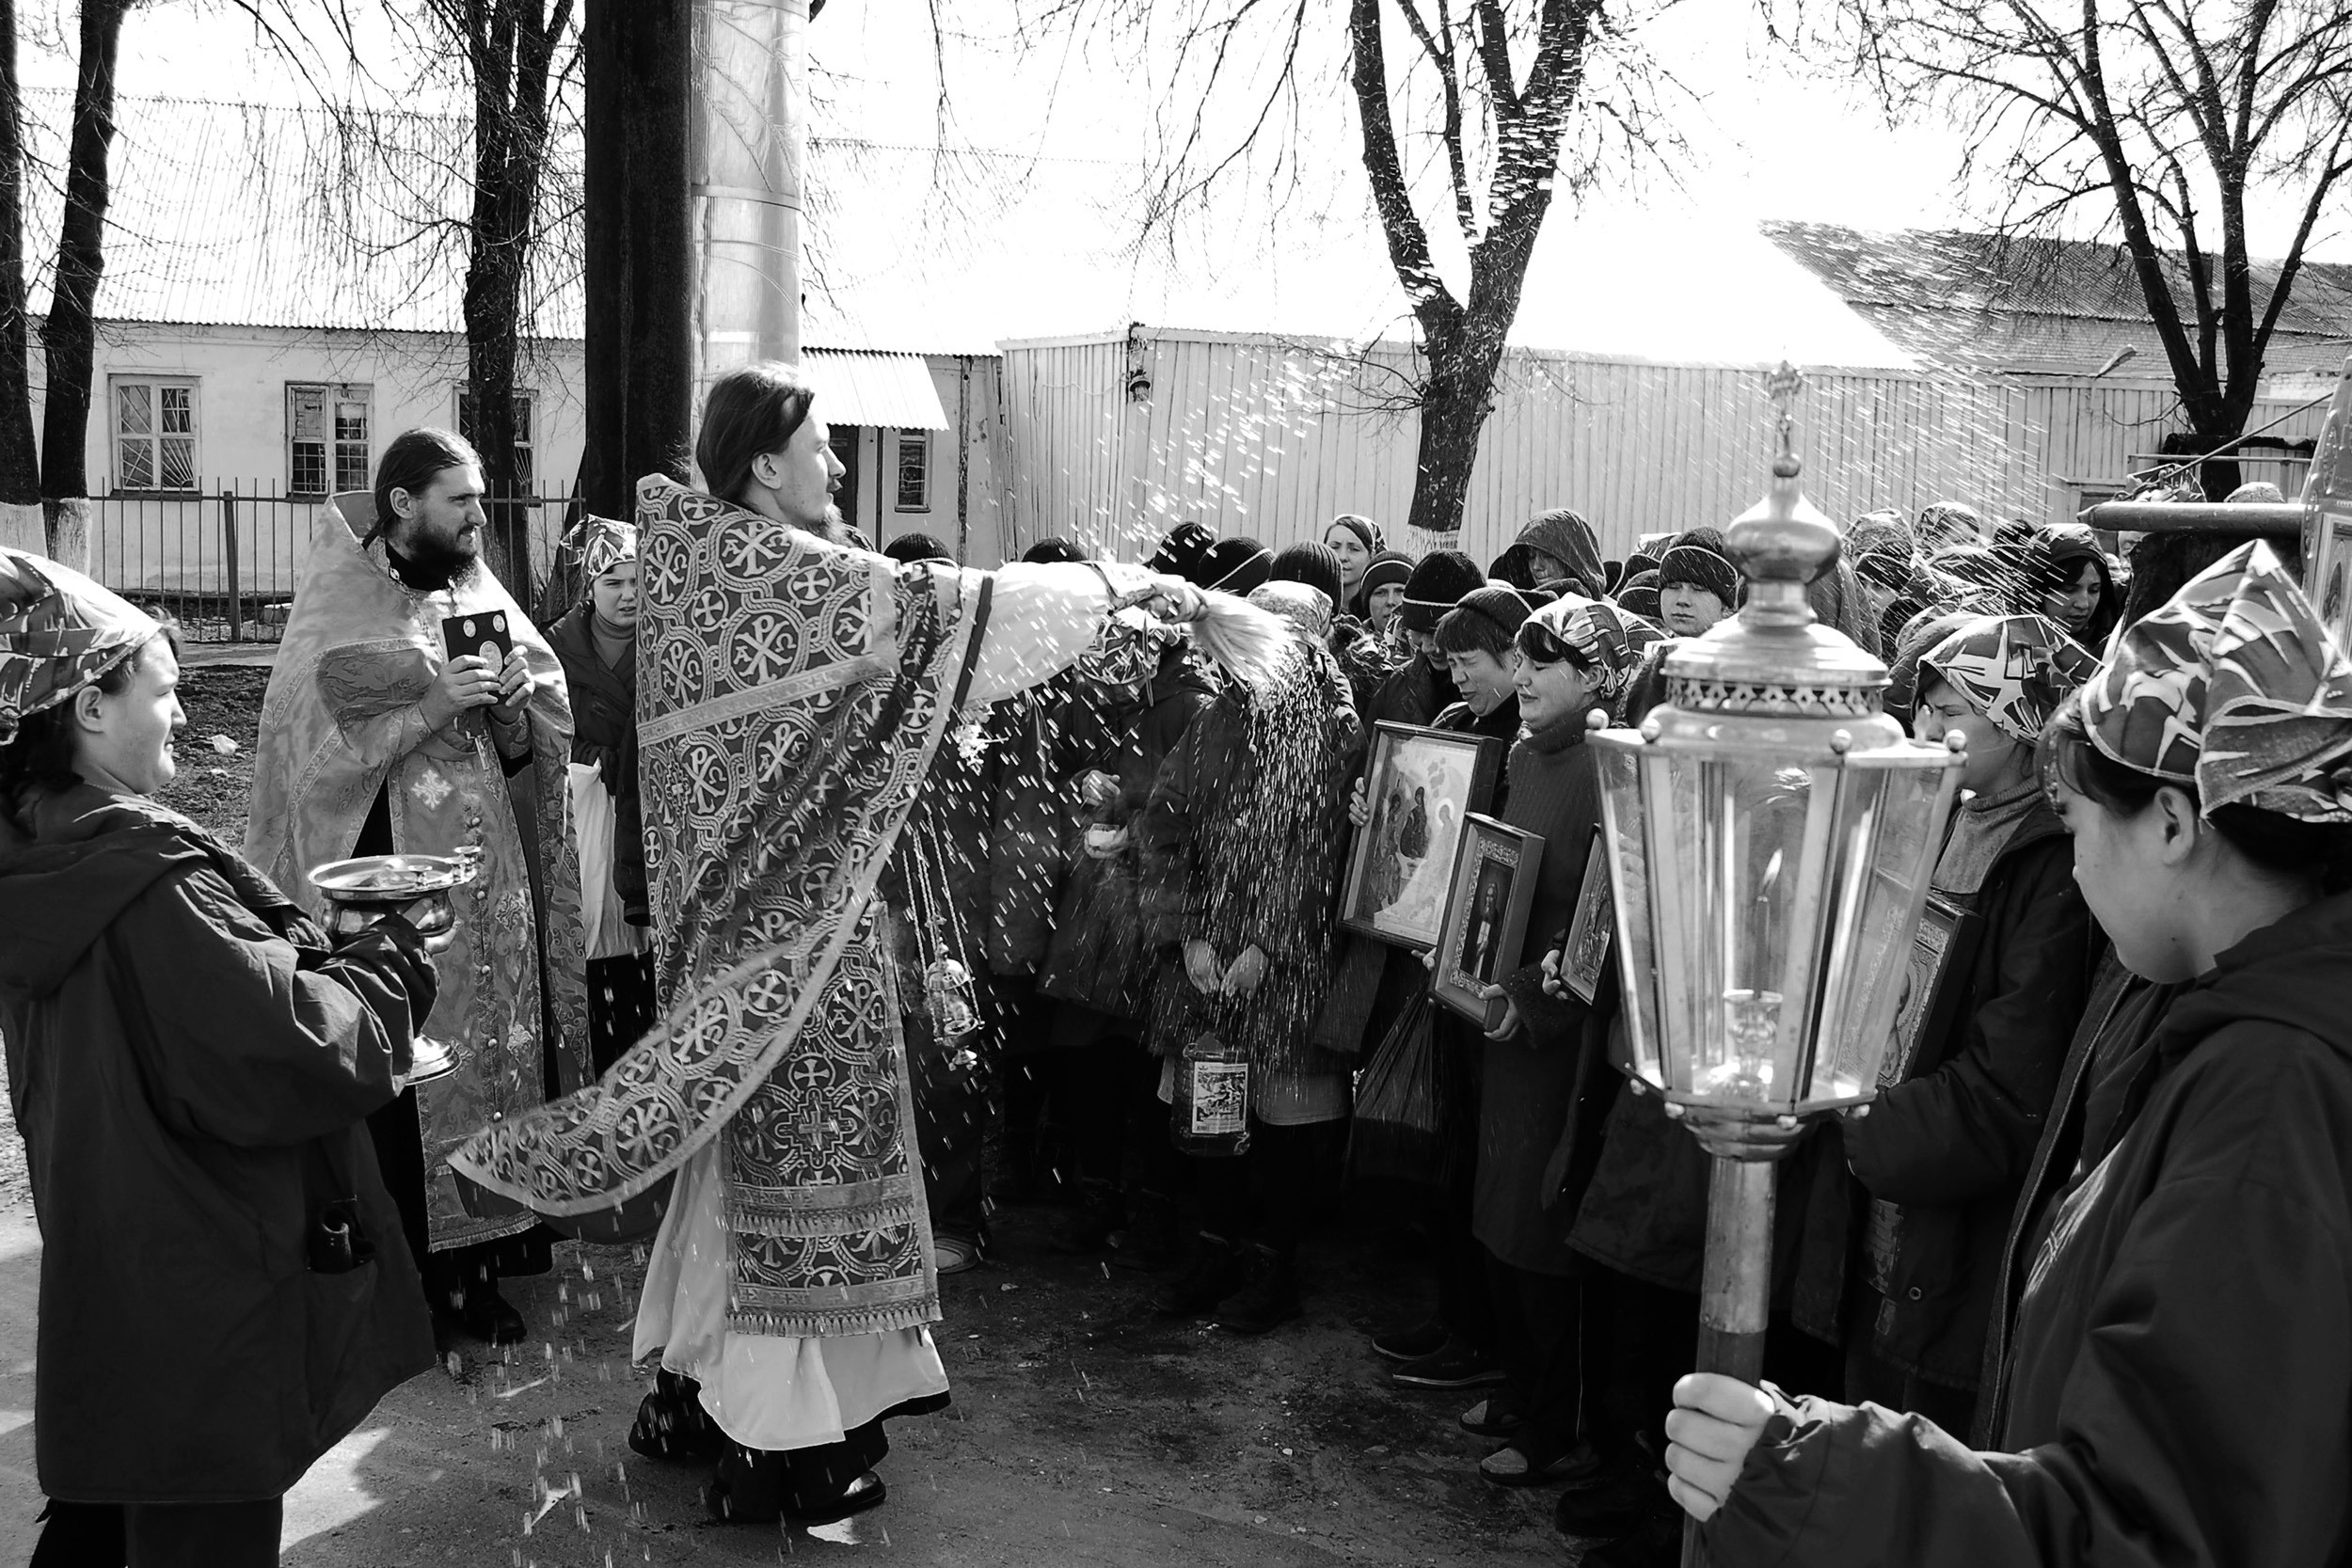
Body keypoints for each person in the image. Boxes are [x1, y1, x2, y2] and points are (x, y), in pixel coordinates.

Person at [450, 361, 1231, 1528]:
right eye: (821, 447)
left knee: (728, 1185)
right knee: (799, 1192)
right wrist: (1119, 588)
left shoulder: (712, 568)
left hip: (737, 947)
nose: (840, 466)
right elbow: (960, 616)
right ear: (764, 462)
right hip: (802, 957)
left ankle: (693, 1397)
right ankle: (790, 1447)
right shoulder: (788, 576)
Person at [1666, 541, 2352, 1567]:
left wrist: (1812, 1471)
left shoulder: (2271, 1094)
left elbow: (2160, 1531)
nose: (2071, 860)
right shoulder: (2219, 1020)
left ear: (2171, 821)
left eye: (2073, 819)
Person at [0, 550, 440, 1566]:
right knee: (201, 1516)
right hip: (201, 1272)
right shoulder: (144, 882)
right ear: (92, 709)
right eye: (166, 692)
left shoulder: (43, 846)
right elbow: (292, 1051)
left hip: (121, 1242)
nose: (187, 718)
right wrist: (396, 953)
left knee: (126, 1492)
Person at [245, 427, 589, 1348]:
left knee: (493, 1057)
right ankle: (412, 1274)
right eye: (461, 499)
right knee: (414, 1070)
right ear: (403, 503)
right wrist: (432, 704)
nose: (481, 515)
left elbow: (533, 744)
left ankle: (484, 1255)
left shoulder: (477, 586)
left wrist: (514, 705)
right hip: (395, 887)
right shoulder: (341, 601)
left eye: (479, 499)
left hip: (490, 880)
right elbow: (310, 766)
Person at [1830, 614, 2097, 1433]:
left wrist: (1861, 1124)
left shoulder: (2053, 863)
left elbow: (2011, 1081)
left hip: (1944, 1204)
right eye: (1925, 710)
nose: (1928, 730)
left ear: (2019, 726)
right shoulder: (1943, 810)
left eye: (1954, 713)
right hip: (1883, 1165)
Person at [1459, 596, 1661, 1493]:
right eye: (1523, 660)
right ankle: (1517, 1390)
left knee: (1540, 1226)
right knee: (1496, 1209)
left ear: (1595, 678)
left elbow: (1599, 931)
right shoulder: (1519, 756)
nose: (1527, 678)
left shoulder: (1607, 770)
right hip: (1494, 1021)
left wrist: (1531, 1009)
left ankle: (1552, 1429)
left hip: (1555, 1040)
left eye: (1548, 663)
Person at [1143, 578, 1362, 1333]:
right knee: (1212, 1112)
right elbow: (1165, 827)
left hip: (1287, 963)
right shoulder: (1216, 720)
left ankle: (1275, 1266)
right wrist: (1190, 932)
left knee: (1283, 1121)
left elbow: (1321, 851)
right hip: (1210, 954)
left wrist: (1269, 944)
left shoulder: (1332, 729)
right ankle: (1214, 1249)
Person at [546, 515, 655, 1076]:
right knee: (589, 931)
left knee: (644, 943)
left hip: (647, 813)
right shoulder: (555, 650)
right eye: (613, 581)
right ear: (589, 585)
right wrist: (593, 759)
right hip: (583, 811)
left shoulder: (668, 646)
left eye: (638, 580)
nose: (629, 594)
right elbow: (543, 733)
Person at [1491, 509, 1607, 598]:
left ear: (1573, 560)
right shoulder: (1516, 612)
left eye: (1547, 556)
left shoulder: (1605, 615)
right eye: (1531, 557)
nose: (1536, 566)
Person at [1656, 531, 1740, 638]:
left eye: (1698, 589)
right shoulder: (1640, 650)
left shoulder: (1743, 652)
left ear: (1725, 605)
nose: (1682, 600)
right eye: (1673, 587)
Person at [1323, 514, 1384, 619]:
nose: (1342, 557)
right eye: (1334, 547)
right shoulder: (1313, 605)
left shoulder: (1379, 612)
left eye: (1354, 549)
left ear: (1371, 556)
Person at [1361, 550, 1415, 638]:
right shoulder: (1349, 647)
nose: (1390, 601)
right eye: (1380, 593)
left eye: (1400, 591)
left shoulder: (1432, 647)